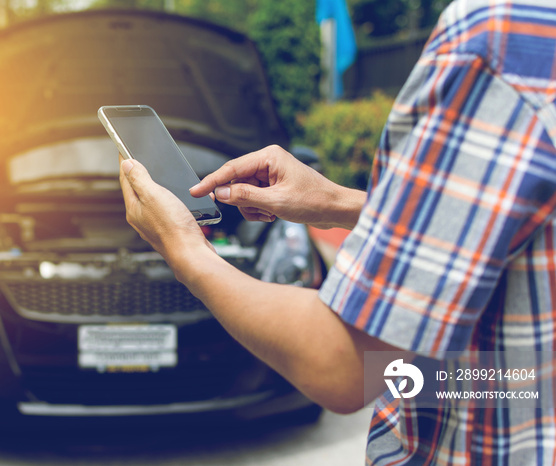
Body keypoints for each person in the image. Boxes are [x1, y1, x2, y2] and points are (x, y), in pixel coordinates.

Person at [118, 0, 556, 463]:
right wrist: (336, 204)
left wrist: (184, 248)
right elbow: (517, 229)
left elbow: (344, 364)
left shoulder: (499, 35)